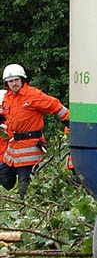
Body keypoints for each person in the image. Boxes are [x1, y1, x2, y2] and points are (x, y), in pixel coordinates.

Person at [0, 64, 69, 198]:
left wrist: (69, 119)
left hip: (30, 147)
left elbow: (54, 105)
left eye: (16, 80)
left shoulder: (33, 94)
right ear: (6, 83)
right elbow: (8, 118)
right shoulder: (7, 98)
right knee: (4, 175)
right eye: (10, 81)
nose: (14, 83)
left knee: (24, 186)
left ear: (22, 79)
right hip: (13, 148)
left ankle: (25, 206)